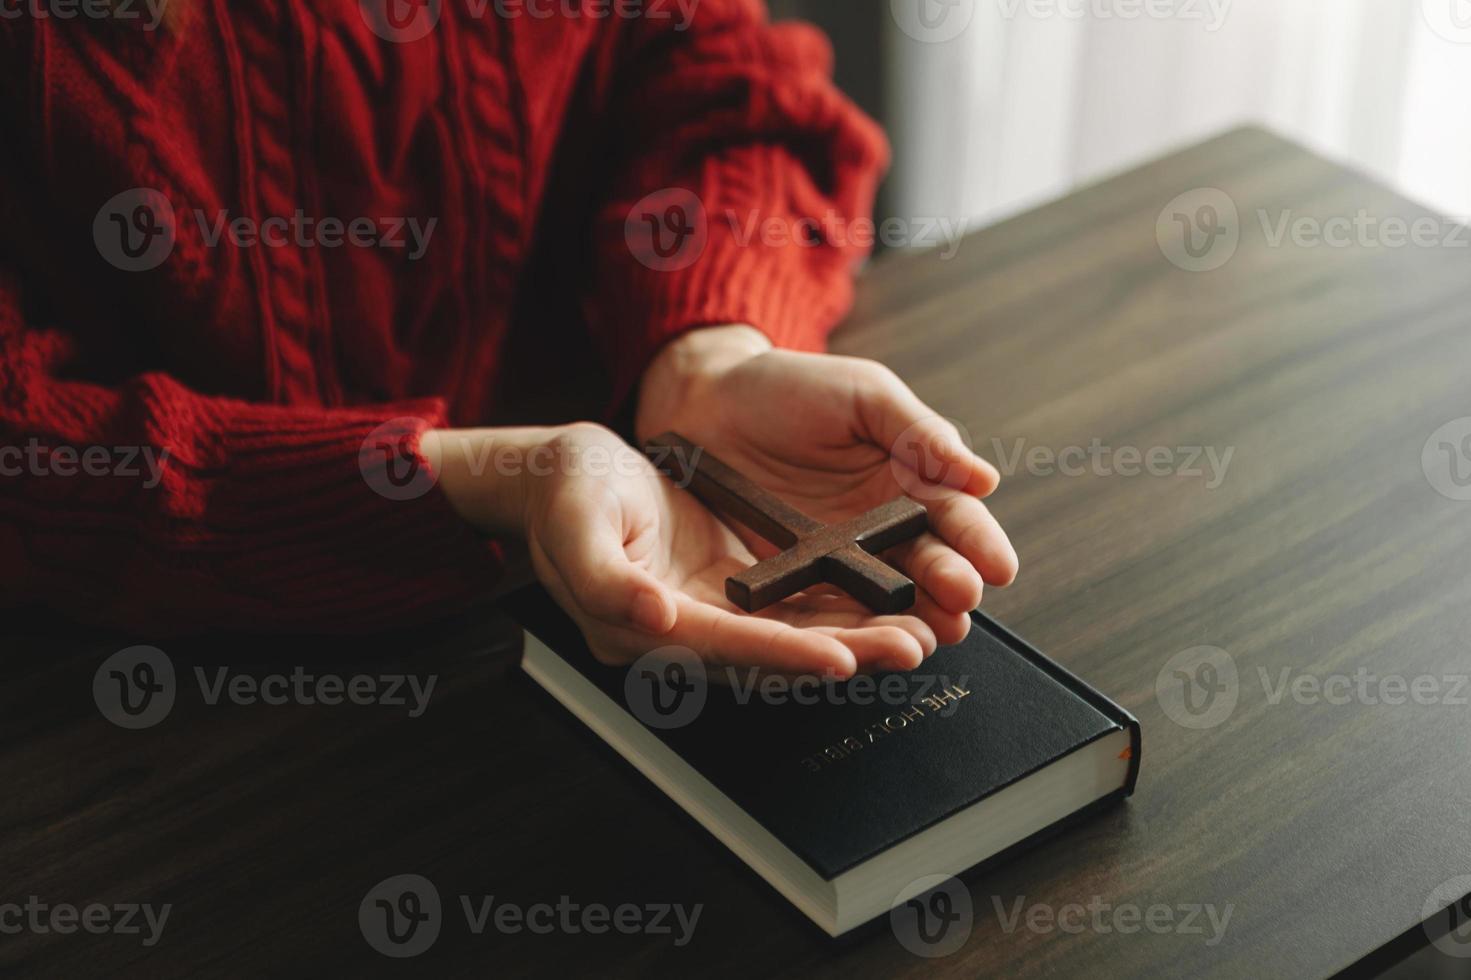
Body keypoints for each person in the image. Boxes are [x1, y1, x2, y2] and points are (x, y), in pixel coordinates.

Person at [0, 0, 1016, 676]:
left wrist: (709, 347)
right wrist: (476, 477)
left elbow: (728, 88)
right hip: (159, 700)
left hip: (610, 573)